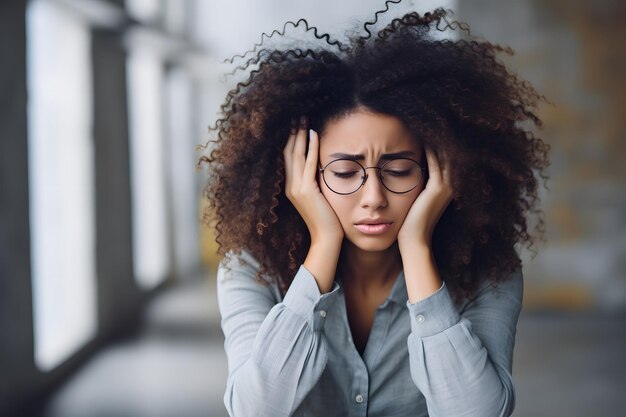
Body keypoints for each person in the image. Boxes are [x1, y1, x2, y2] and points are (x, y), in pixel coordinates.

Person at [198, 4, 550, 416]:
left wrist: (417, 249)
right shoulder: (250, 268)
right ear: (301, 175)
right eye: (345, 172)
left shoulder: (488, 269)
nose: (374, 197)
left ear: (444, 168)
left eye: (399, 170)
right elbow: (257, 409)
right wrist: (323, 243)